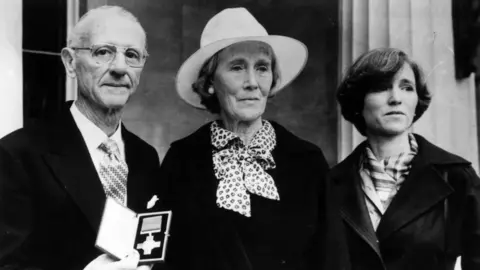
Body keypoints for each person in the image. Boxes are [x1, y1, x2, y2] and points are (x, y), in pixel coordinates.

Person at [158, 7, 329, 270]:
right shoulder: (181, 161)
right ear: (211, 81)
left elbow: (331, 258)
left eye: (262, 68)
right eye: (237, 67)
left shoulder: (307, 160)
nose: (252, 82)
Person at [0, 5, 160, 270]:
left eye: (131, 55)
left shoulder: (146, 157)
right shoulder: (17, 154)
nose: (120, 67)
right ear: (70, 62)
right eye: (103, 52)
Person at [329, 47, 480, 269]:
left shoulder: (456, 177)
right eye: (381, 88)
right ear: (358, 102)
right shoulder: (331, 184)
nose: (396, 98)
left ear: (416, 100)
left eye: (406, 87)